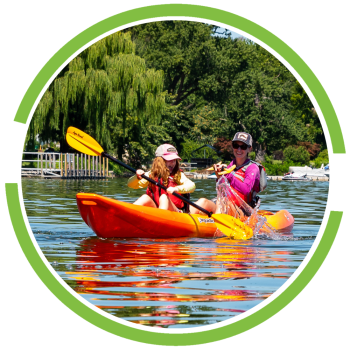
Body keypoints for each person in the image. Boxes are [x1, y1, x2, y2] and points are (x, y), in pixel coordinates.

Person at [127, 144, 196, 213]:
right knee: (145, 197)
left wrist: (176, 189)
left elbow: (192, 186)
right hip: (156, 210)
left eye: (174, 160)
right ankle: (127, 213)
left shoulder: (178, 175)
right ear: (160, 161)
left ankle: (160, 219)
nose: (173, 162)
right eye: (169, 160)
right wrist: (137, 177)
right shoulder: (151, 174)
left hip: (175, 212)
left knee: (164, 197)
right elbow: (130, 185)